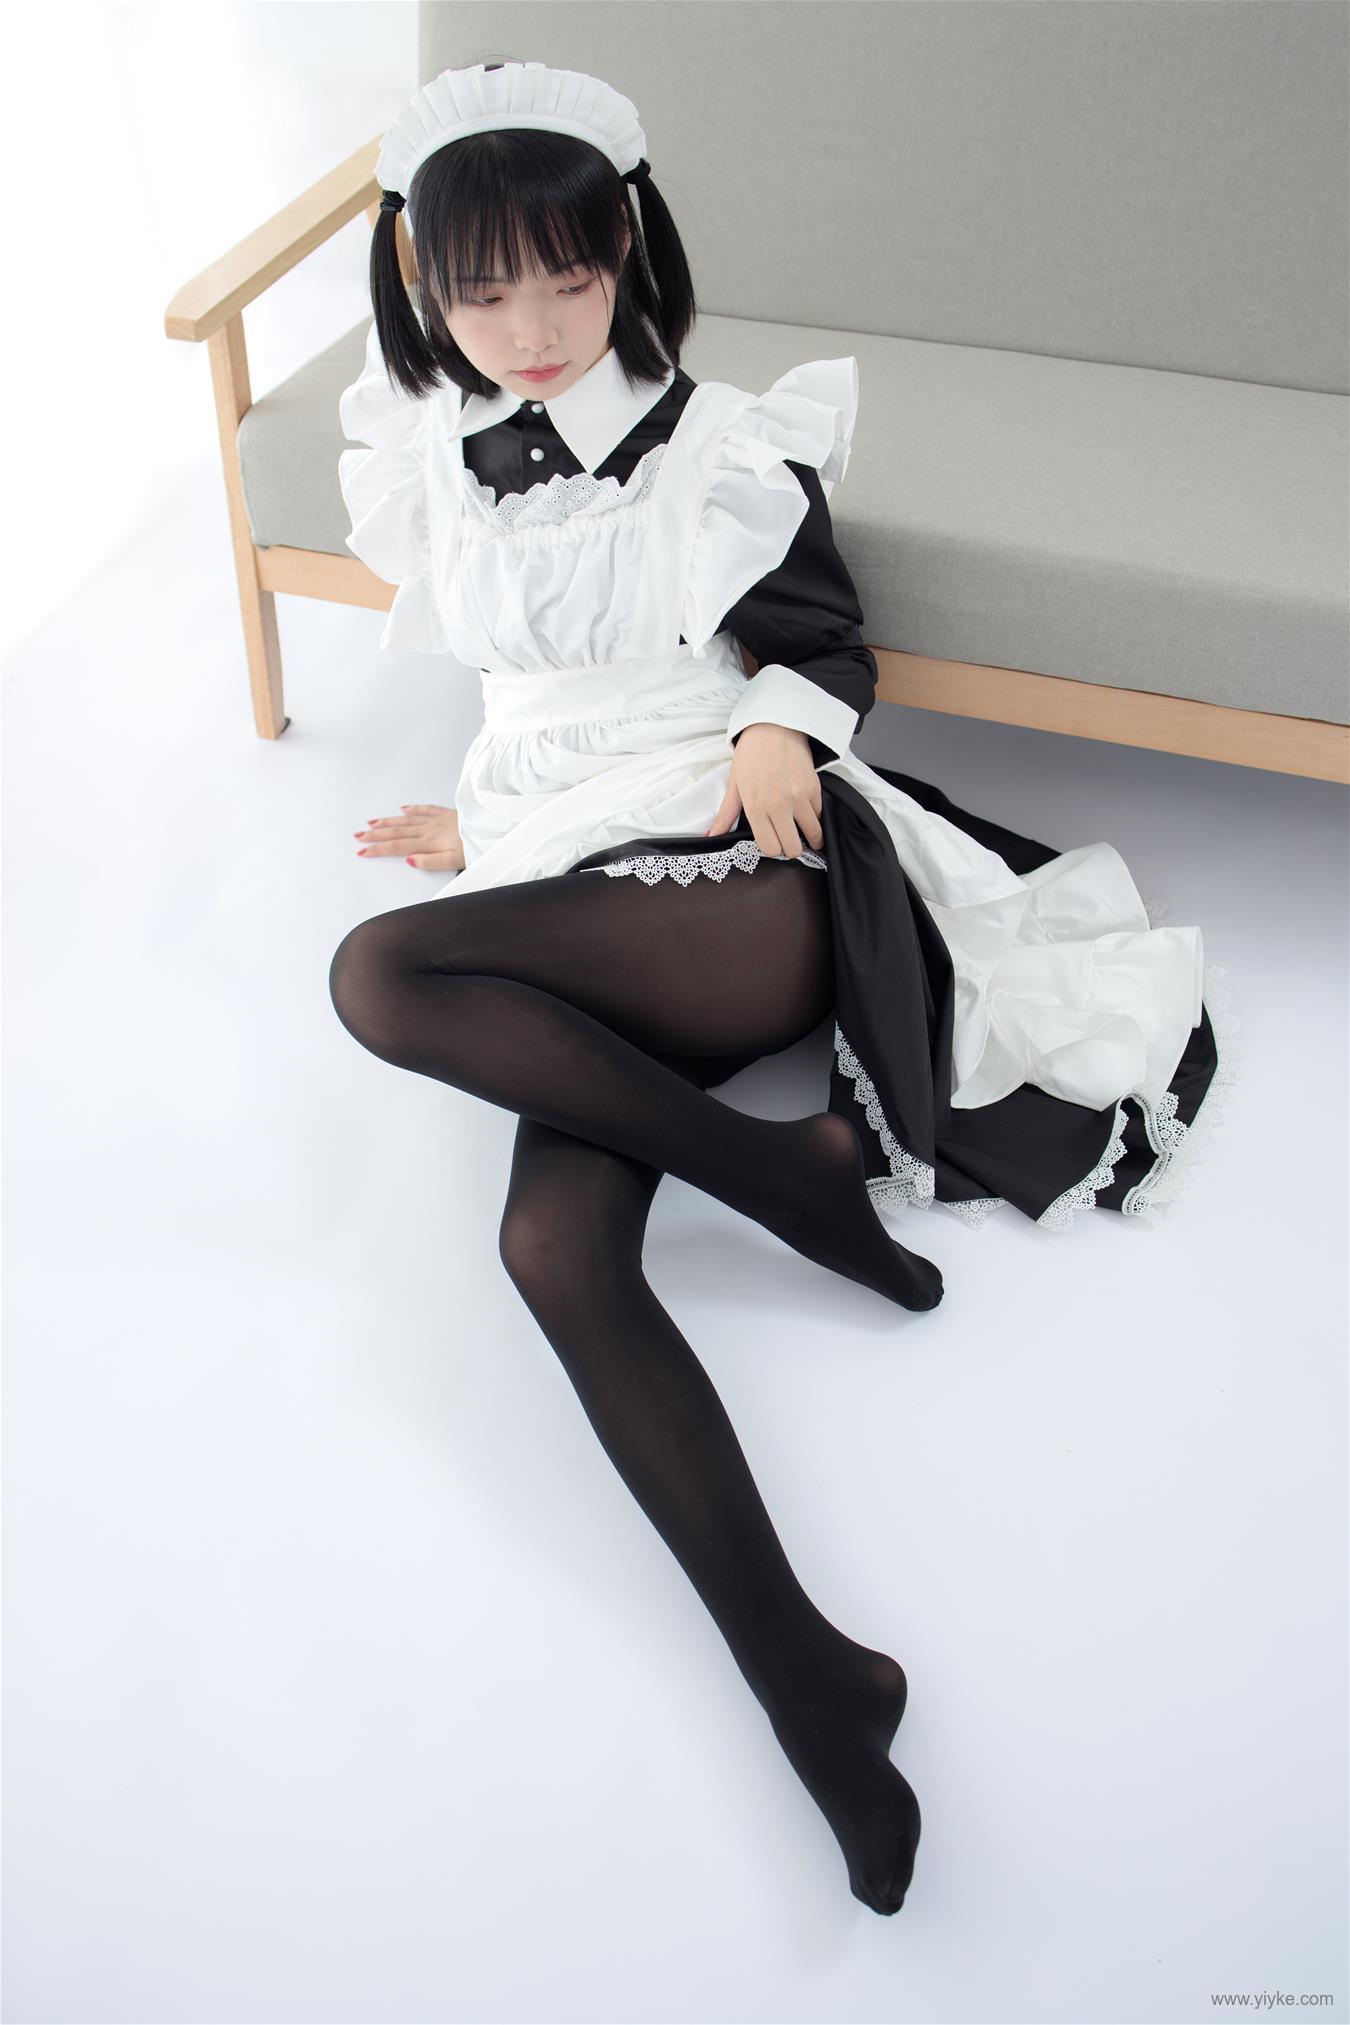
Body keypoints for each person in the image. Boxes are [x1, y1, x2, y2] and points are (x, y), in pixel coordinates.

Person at [328, 59, 1237, 1917]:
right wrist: (489, 822)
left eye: (568, 279)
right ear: (422, 285)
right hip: (567, 857)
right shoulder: (427, 452)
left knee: (376, 971)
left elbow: (820, 640)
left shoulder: (717, 439)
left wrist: (769, 724)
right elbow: (525, 686)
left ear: (627, 255)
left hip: (743, 868)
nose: (529, 327)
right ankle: (817, 1687)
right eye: (483, 291)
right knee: (549, 1250)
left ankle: (776, 1177)